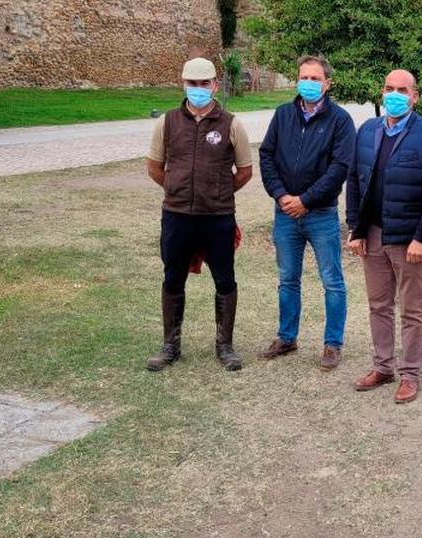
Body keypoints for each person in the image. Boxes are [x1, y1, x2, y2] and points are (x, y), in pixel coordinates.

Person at [345, 69, 422, 404]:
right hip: (373, 234)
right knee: (378, 305)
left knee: (411, 309)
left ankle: (410, 374)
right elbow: (355, 180)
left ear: (415, 96)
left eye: (402, 90)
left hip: (408, 239)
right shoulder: (369, 130)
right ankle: (383, 366)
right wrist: (355, 228)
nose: (394, 94)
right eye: (389, 88)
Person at [145, 57, 254, 372]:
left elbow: (245, 171)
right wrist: (178, 189)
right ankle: (170, 345)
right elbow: (154, 167)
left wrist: (217, 191)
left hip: (217, 216)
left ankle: (225, 346)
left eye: (204, 83)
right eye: (192, 83)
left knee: (225, 279)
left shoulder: (231, 123)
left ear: (215, 86)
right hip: (177, 215)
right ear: (183, 84)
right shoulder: (167, 122)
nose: (198, 89)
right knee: (173, 277)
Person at [258, 54, 356, 370]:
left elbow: (340, 168)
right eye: (304, 78)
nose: (309, 84)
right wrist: (281, 195)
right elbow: (267, 156)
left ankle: (332, 344)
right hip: (284, 213)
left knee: (332, 280)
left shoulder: (340, 121)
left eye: (315, 79)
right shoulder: (283, 114)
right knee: (288, 279)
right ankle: (287, 338)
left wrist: (306, 200)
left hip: (321, 214)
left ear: (327, 83)